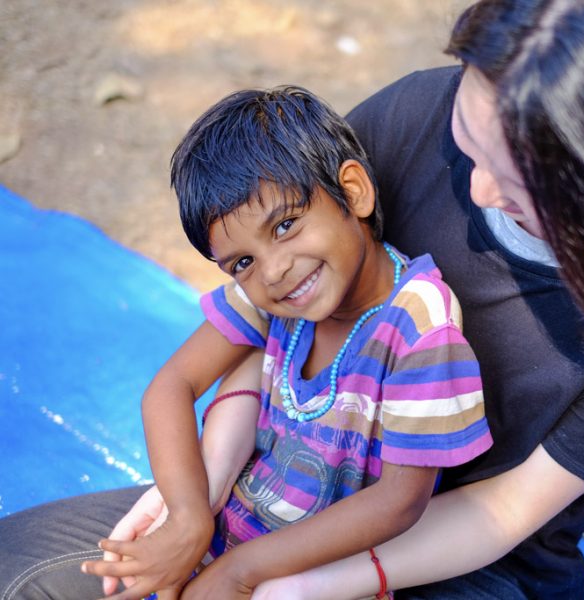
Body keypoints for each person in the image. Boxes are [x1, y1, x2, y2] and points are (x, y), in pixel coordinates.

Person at [0, 0, 584, 598]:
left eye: (514, 185)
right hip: (277, 495)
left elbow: (491, 519)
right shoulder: (416, 118)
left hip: (456, 564)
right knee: (22, 571)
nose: (473, 191)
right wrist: (195, 508)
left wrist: (272, 581)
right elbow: (265, 327)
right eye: (469, 145)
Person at [0, 87, 493, 600]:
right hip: (227, 531)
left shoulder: (418, 325)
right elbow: (171, 386)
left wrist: (240, 571)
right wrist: (188, 519)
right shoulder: (270, 297)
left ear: (353, 192)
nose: (274, 270)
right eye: (241, 262)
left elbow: (398, 502)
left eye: (285, 225)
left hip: (316, 579)